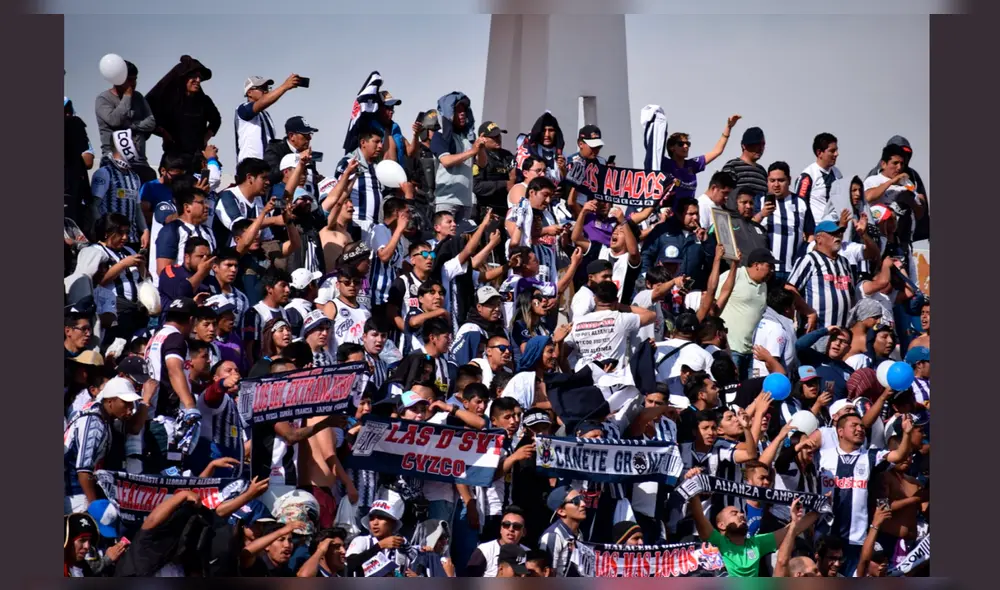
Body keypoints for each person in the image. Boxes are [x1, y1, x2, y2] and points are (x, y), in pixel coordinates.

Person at [687, 493, 819, 578]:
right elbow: (699, 517)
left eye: (741, 513)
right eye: (734, 513)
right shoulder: (717, 542)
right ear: (721, 525)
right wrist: (694, 491)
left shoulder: (756, 543)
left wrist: (820, 509)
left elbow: (793, 529)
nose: (741, 515)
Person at [63, 377, 140, 513]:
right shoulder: (93, 422)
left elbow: (134, 428)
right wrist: (95, 507)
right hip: (75, 494)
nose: (130, 409)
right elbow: (83, 471)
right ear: (110, 401)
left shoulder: (105, 418)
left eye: (131, 404)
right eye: (125, 403)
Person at [146, 55, 221, 159]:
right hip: (174, 158)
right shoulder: (169, 101)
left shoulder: (204, 101)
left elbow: (216, 120)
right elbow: (149, 113)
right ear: (184, 78)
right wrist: (164, 133)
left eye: (200, 77)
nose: (198, 80)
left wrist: (205, 138)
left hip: (197, 157)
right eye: (194, 76)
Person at [94, 59, 157, 183]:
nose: (133, 83)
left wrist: (132, 126)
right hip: (114, 161)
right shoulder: (103, 99)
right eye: (129, 80)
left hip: (139, 161)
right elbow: (115, 121)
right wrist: (127, 97)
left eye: (135, 79)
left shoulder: (138, 97)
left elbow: (151, 122)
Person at [715, 248, 774, 380]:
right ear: (756, 265)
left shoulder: (764, 285)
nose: (772, 271)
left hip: (752, 352)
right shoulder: (734, 275)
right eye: (769, 266)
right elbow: (713, 303)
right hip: (732, 349)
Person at [787, 220, 857, 331]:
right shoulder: (809, 260)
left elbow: (851, 294)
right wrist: (809, 312)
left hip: (842, 331)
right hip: (817, 330)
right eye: (832, 234)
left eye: (839, 233)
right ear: (819, 238)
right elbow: (789, 288)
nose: (838, 236)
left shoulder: (845, 262)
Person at [659, 117, 739, 203]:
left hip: (688, 213)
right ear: (672, 148)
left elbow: (717, 151)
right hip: (669, 213)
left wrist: (728, 127)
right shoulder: (665, 163)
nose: (686, 146)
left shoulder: (692, 164)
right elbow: (653, 150)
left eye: (687, 144)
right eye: (681, 144)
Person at [89, 134, 148, 247]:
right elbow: (94, 206)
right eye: (133, 143)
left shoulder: (134, 176)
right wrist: (101, 231)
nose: (137, 147)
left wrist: (145, 230)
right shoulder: (105, 173)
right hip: (111, 238)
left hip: (131, 238)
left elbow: (137, 208)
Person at [432, 91, 482, 224]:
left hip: (467, 201)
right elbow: (446, 161)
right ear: (449, 113)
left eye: (464, 110)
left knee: (462, 243)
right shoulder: (440, 136)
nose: (462, 114)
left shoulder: (468, 137)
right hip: (446, 201)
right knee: (445, 241)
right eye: (458, 111)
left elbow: (482, 164)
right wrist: (472, 152)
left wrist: (480, 149)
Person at [759, 161, 810, 282]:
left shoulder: (801, 203)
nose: (776, 185)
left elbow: (811, 233)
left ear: (789, 180)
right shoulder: (759, 201)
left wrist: (802, 258)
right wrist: (762, 214)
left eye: (780, 180)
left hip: (793, 269)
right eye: (772, 181)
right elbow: (749, 226)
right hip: (767, 269)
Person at [213, 157, 277, 249]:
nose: (267, 182)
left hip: (252, 256)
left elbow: (266, 238)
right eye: (263, 178)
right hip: (229, 258)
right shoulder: (228, 196)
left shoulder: (259, 200)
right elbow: (240, 228)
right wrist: (276, 220)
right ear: (249, 178)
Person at [235, 74, 301, 163]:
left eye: (267, 88)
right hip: (252, 166)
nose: (266, 91)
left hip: (267, 166)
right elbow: (261, 103)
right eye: (262, 88)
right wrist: (284, 86)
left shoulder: (265, 114)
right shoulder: (242, 108)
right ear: (249, 92)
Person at [154, 185, 216, 279]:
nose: (207, 206)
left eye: (206, 202)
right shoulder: (172, 230)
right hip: (181, 289)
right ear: (187, 207)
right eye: (201, 203)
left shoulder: (208, 231)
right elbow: (163, 271)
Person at [344, 497, 409, 577]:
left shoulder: (403, 547)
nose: (375, 523)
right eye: (371, 519)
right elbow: (349, 565)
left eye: (381, 518)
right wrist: (379, 546)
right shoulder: (362, 541)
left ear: (393, 523)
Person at [264, 116, 324, 197]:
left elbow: (313, 178)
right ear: (291, 136)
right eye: (305, 135)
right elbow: (270, 176)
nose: (309, 138)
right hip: (281, 199)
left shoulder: (307, 152)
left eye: (310, 134)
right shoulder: (275, 149)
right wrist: (298, 158)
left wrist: (318, 179)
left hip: (307, 200)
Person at [795, 132, 845, 226]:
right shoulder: (808, 175)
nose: (836, 154)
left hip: (837, 227)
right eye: (832, 151)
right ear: (819, 153)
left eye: (836, 150)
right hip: (818, 229)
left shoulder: (837, 173)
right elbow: (800, 204)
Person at [465, 505, 530, 577]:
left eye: (517, 526)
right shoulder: (485, 550)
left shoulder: (528, 554)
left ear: (524, 532)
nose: (511, 529)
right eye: (506, 525)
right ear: (500, 529)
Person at [538, 487, 588, 577]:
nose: (583, 504)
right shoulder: (553, 536)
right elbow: (547, 574)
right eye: (576, 501)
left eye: (582, 498)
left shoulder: (579, 533)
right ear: (561, 511)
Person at [472, 121, 517, 219]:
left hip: (506, 210)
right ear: (483, 138)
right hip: (487, 212)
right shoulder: (479, 156)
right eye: (494, 137)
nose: (498, 139)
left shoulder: (507, 155)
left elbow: (515, 180)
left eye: (499, 136)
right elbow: (476, 187)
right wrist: (504, 184)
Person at [721, 125, 768, 210]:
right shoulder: (732, 166)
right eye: (756, 144)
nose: (760, 148)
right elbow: (725, 196)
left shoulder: (762, 171)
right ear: (744, 146)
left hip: (759, 220)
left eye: (762, 144)